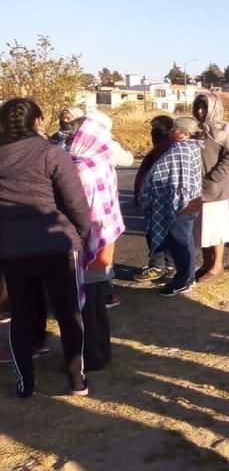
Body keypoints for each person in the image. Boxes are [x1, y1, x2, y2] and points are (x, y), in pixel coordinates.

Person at [0, 98, 92, 397]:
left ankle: (25, 382)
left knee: (21, 316)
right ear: (38, 121)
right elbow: (74, 201)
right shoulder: (51, 154)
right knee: (68, 312)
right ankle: (77, 380)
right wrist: (81, 232)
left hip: (13, 250)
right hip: (55, 245)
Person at [68, 111, 126, 370]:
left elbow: (73, 209)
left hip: (87, 244)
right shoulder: (102, 160)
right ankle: (102, 352)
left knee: (84, 305)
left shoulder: (80, 168)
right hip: (104, 239)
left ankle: (91, 357)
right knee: (96, 302)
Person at [142, 117, 204, 297]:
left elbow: (160, 173)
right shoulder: (194, 146)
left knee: (180, 242)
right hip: (192, 198)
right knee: (185, 240)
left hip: (180, 201)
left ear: (184, 133)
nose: (171, 133)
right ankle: (187, 277)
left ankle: (183, 281)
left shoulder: (180, 149)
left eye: (175, 130)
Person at [193, 94, 229, 284]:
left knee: (216, 228)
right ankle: (206, 263)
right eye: (198, 107)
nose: (200, 112)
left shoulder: (224, 129)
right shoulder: (195, 130)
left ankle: (218, 265)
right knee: (202, 228)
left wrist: (213, 178)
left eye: (204, 108)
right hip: (197, 188)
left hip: (216, 188)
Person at [133, 115, 177, 280]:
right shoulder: (171, 145)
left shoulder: (163, 147)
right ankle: (171, 266)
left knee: (156, 231)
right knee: (168, 231)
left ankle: (157, 267)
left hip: (157, 196)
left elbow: (149, 174)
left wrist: (141, 194)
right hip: (168, 196)